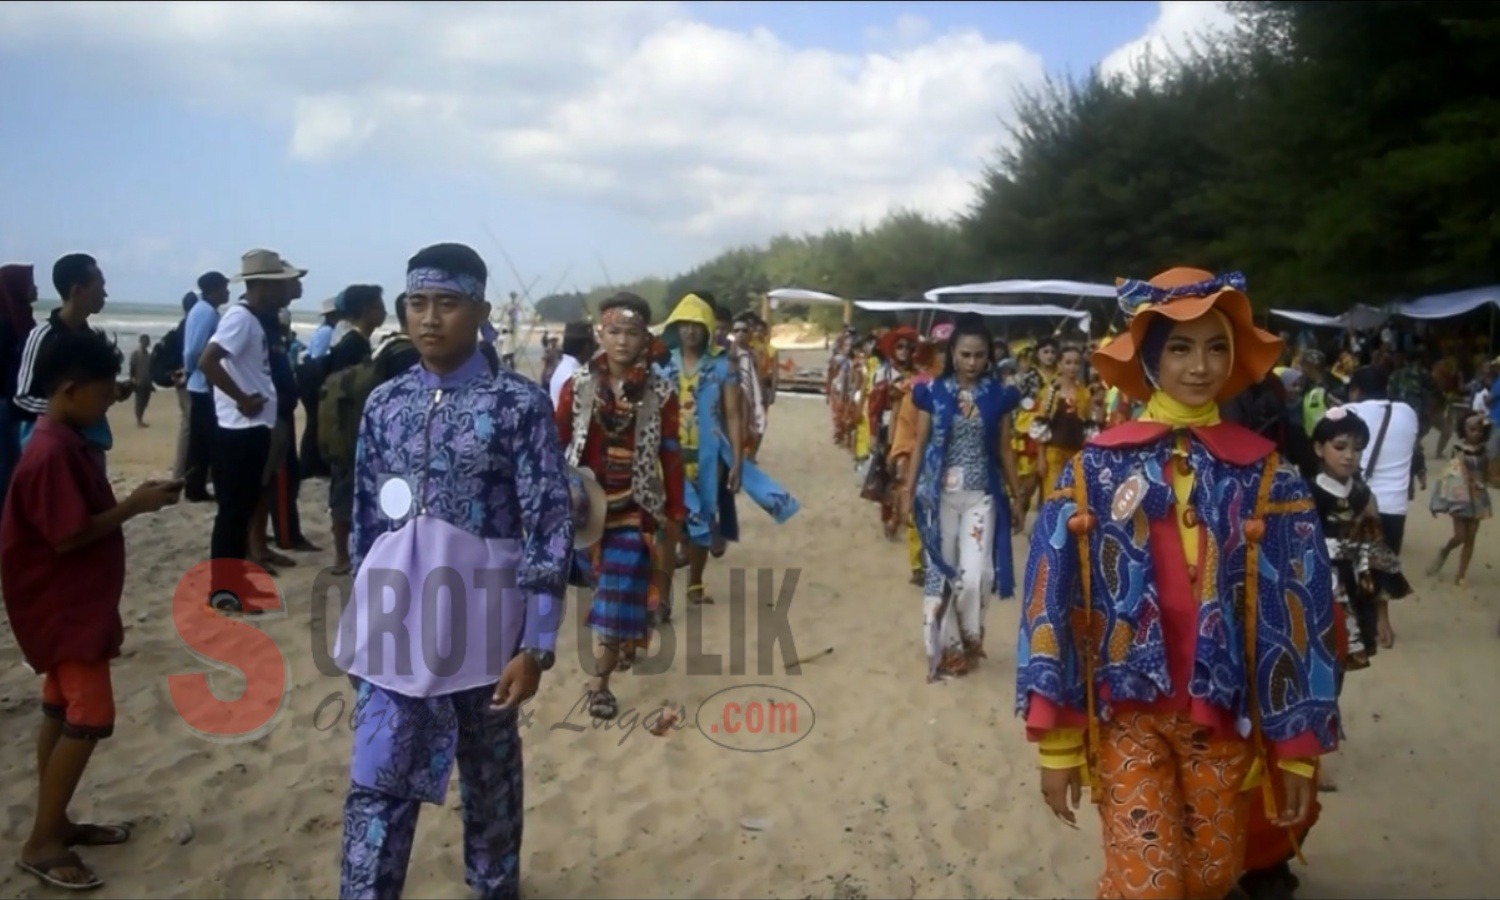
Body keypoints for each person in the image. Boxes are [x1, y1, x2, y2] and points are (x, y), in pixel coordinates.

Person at [1017, 268, 1339, 899]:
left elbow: (1301, 608)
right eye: (1181, 348)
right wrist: (1056, 745)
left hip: (1224, 718)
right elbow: (1050, 609)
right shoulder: (1094, 472)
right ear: (1150, 359)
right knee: (1150, 885)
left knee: (1212, 878)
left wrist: (1297, 747)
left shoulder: (1267, 475)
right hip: (1127, 718)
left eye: (1216, 346)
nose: (1200, 366)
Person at [333, 242, 572, 900]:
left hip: (487, 635)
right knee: (379, 779)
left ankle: (494, 887)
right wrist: (364, 615)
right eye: (417, 303)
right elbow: (366, 519)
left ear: (479, 310)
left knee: (490, 781)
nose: (429, 318)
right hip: (397, 628)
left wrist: (537, 644)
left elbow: (548, 521)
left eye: (447, 303)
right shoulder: (384, 403)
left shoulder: (517, 406)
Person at [1, 329, 181, 891]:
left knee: (59, 708)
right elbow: (68, 536)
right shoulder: (52, 450)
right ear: (71, 390)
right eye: (104, 397)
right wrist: (134, 505)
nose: (108, 406)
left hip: (70, 603)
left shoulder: (64, 439)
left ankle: (57, 821)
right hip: (62, 606)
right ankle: (42, 843)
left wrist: (132, 502)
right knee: (89, 717)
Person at [555, 292, 686, 720]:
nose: (622, 341)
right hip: (584, 506)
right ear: (600, 333)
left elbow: (670, 453)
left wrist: (677, 510)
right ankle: (626, 634)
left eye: (632, 333)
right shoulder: (578, 387)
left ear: (645, 338)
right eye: (614, 331)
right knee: (605, 583)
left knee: (617, 579)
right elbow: (555, 443)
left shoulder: (662, 392)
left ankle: (599, 685)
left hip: (636, 505)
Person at [903, 313, 1022, 679]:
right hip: (939, 496)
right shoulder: (934, 393)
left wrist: (1017, 497)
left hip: (981, 497)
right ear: (952, 352)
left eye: (979, 355)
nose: (972, 362)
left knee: (976, 577)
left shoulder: (999, 397)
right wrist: (907, 491)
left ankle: (972, 635)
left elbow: (1004, 450)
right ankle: (948, 650)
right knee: (941, 573)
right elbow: (920, 444)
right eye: (965, 354)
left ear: (989, 356)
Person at [198, 249, 298, 609]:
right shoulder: (240, 319)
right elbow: (207, 361)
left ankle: (234, 583)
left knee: (240, 512)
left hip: (252, 427)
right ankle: (224, 590)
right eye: (284, 282)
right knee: (233, 514)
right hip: (240, 429)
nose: (291, 287)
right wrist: (240, 398)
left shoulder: (253, 319)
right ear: (266, 286)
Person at [13, 254, 129, 455]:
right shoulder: (42, 336)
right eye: (100, 287)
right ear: (77, 290)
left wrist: (110, 391)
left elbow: (84, 389)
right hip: (52, 448)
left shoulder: (90, 338)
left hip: (90, 443)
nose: (106, 294)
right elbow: (22, 398)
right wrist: (68, 408)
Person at [1341, 365, 1422, 648]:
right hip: (1394, 505)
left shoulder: (1350, 411)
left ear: (1356, 391)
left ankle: (1353, 627)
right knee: (1383, 563)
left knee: (1351, 564)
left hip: (1359, 501)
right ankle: (1382, 622)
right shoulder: (1408, 413)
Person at [322, 284, 387, 575]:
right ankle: (340, 556)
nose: (382, 311)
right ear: (366, 310)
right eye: (378, 306)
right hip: (347, 428)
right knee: (344, 493)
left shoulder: (355, 341)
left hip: (349, 426)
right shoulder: (353, 345)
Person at [1427, 409, 1492, 586]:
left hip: (1478, 498)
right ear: (1464, 430)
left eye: (1479, 430)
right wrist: (1439, 501)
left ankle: (1461, 574)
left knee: (1471, 538)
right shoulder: (1457, 450)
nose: (1476, 433)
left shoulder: (1484, 452)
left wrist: (1482, 482)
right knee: (1460, 536)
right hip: (1459, 498)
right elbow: (1447, 476)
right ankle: (1445, 550)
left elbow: (1487, 474)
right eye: (1471, 429)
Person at [181, 271, 229, 502]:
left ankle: (195, 487)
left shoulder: (203, 310)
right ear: (215, 289)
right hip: (203, 384)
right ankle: (195, 488)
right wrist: (193, 371)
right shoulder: (206, 312)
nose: (227, 292)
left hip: (200, 381)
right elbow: (192, 350)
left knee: (201, 441)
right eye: (224, 288)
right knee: (204, 441)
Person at [0, 263, 38, 498]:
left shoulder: (21, 317)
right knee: (7, 467)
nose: (35, 288)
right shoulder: (7, 323)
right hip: (7, 405)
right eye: (30, 283)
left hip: (16, 403)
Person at [1034, 344, 1090, 493]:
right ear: (1059, 364)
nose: (1072, 367)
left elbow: (1088, 426)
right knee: (1054, 496)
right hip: (1054, 453)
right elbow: (1041, 425)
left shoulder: (1084, 393)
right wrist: (1041, 458)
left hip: (1077, 453)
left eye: (1076, 363)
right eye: (1068, 362)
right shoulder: (1051, 392)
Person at [549, 321, 596, 409]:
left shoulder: (564, 367)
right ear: (587, 347)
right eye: (594, 346)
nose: (594, 351)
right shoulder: (575, 375)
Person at [128, 335, 153, 426]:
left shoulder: (149, 355)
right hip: (139, 382)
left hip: (147, 382)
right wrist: (132, 379)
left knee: (146, 402)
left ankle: (140, 419)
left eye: (147, 342)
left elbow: (151, 370)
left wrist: (151, 383)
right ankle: (139, 421)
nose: (145, 343)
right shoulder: (135, 354)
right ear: (140, 342)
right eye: (144, 341)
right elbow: (132, 367)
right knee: (140, 402)